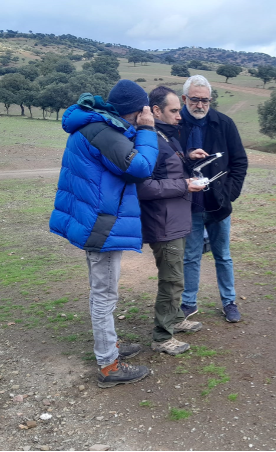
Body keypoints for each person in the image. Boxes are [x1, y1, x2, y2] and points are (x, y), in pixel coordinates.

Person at [49, 80, 159, 388]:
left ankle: (109, 346)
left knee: (104, 291)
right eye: (145, 110)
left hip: (95, 220)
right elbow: (140, 167)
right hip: (102, 225)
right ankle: (108, 365)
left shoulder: (98, 126)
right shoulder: (103, 133)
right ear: (138, 110)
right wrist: (149, 131)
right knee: (104, 294)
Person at [138, 86, 206, 355]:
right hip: (163, 223)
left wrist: (189, 158)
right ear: (156, 110)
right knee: (172, 280)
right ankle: (161, 336)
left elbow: (168, 170)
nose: (180, 116)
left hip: (176, 219)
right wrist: (184, 186)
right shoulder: (149, 141)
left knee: (175, 277)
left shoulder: (165, 137)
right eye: (174, 110)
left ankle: (176, 320)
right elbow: (143, 187)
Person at [179, 75, 249, 323]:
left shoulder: (224, 123)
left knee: (223, 255)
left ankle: (229, 301)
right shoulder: (174, 124)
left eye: (205, 100)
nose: (200, 105)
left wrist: (229, 194)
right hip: (188, 204)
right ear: (185, 98)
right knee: (190, 256)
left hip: (219, 204)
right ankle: (188, 303)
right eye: (195, 100)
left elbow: (239, 161)